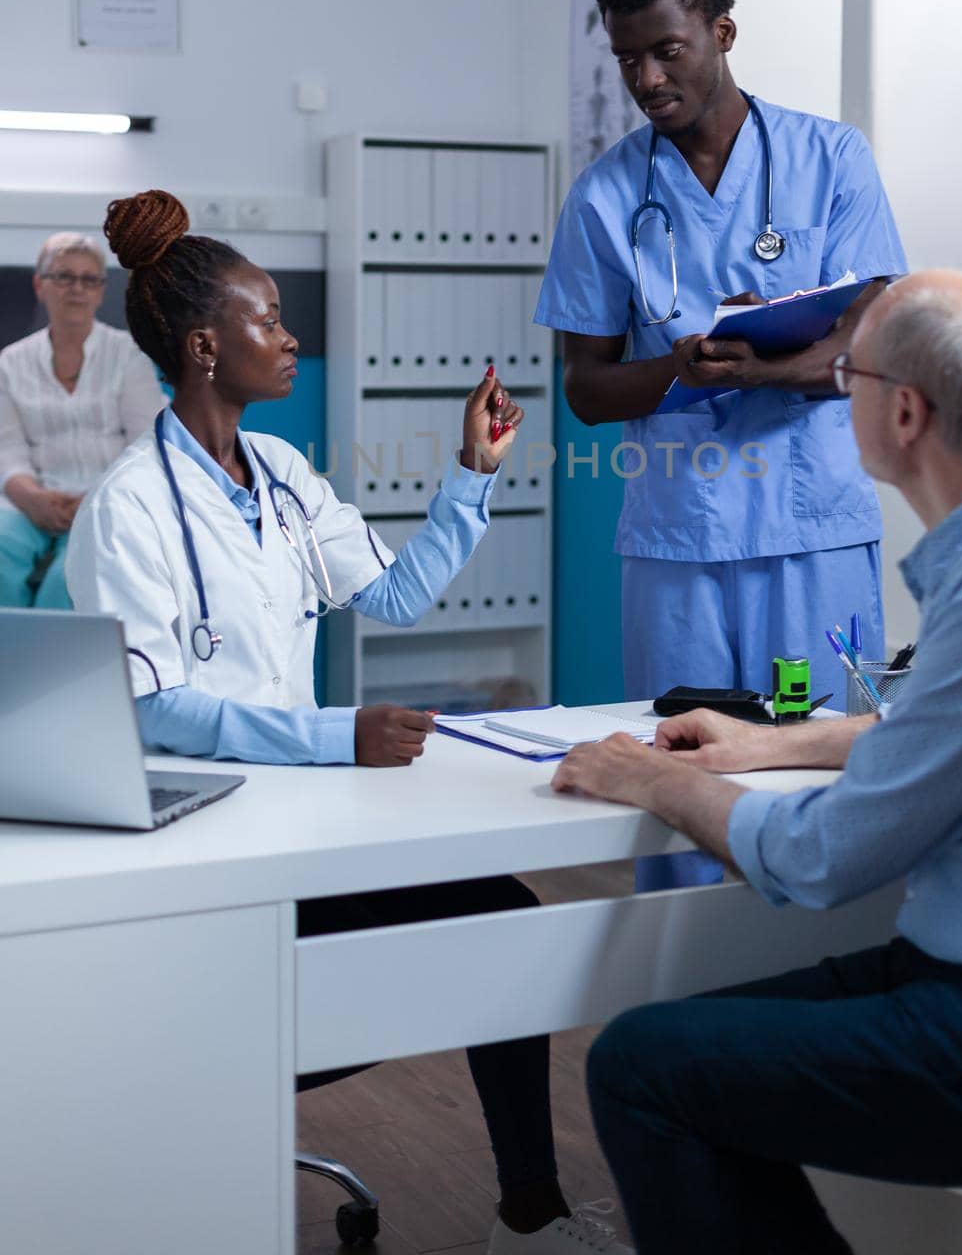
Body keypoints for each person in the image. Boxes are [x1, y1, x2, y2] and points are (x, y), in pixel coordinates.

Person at [65, 189, 631, 1255]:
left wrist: (471, 474)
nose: (290, 338)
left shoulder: (278, 473)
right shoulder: (127, 507)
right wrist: (335, 736)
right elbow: (147, 705)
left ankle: (529, 1210)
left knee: (499, 909)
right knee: (428, 945)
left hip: (308, 826)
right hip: (207, 847)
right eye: (267, 319)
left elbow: (394, 595)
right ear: (200, 345)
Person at [551, 269, 962, 1255]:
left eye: (848, 371)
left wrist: (659, 780)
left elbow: (822, 857)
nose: (836, 387)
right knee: (706, 1047)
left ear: (903, 411)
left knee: (641, 1066)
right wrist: (779, 742)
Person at [534, 0, 907, 890]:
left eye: (668, 49)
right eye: (626, 60)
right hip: (679, 544)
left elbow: (877, 342)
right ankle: (686, 1014)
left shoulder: (831, 162)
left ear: (721, 31)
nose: (648, 79)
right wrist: (680, 370)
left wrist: (759, 367)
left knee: (821, 776)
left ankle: (824, 1011)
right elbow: (583, 389)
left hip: (808, 534)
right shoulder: (604, 198)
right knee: (676, 791)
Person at [0, 231, 164, 608]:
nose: (77, 289)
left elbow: (145, 446)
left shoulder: (128, 355)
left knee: (68, 576)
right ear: (40, 285)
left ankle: (49, 663)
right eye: (64, 277)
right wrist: (32, 498)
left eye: (89, 279)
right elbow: (7, 448)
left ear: (101, 291)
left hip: (107, 499)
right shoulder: (11, 361)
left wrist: (95, 500)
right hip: (32, 498)